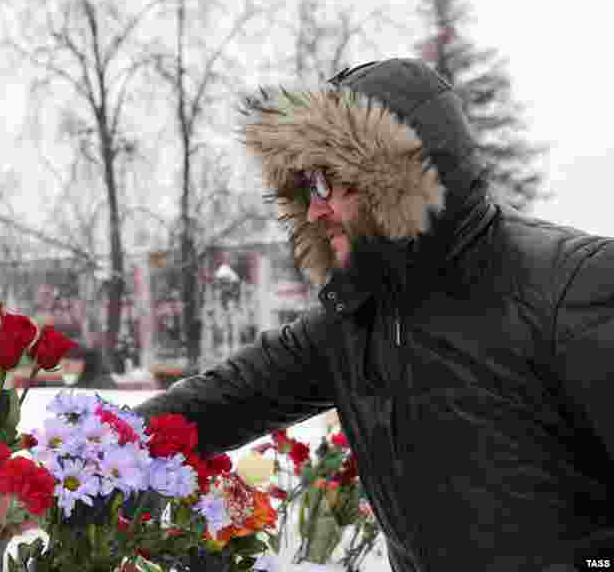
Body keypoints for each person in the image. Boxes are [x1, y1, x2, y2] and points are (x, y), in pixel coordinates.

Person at [126, 58, 613, 571]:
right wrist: (94, 450)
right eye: (306, 188)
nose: (314, 210)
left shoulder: (569, 289)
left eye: (327, 184)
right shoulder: (354, 316)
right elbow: (222, 402)